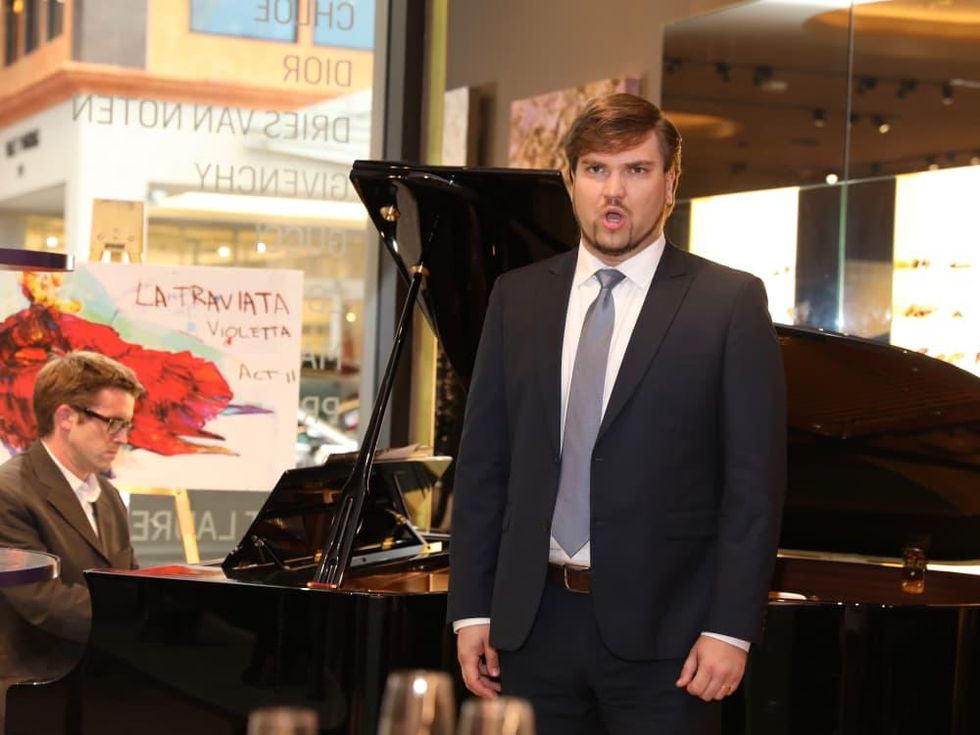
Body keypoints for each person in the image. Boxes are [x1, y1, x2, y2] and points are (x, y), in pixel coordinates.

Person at [447, 93, 786, 734]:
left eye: (637, 170)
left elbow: (753, 487)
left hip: (674, 642)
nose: (615, 191)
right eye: (597, 169)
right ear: (569, 180)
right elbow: (484, 467)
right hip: (529, 630)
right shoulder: (516, 299)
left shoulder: (729, 303)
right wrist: (471, 611)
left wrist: (730, 628)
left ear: (671, 184)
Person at [0, 351, 143, 726]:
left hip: (99, 692)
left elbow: (125, 579)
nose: (123, 438)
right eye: (113, 423)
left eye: (127, 425)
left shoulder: (108, 496)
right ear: (66, 417)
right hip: (32, 695)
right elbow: (40, 600)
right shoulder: (8, 491)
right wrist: (143, 616)